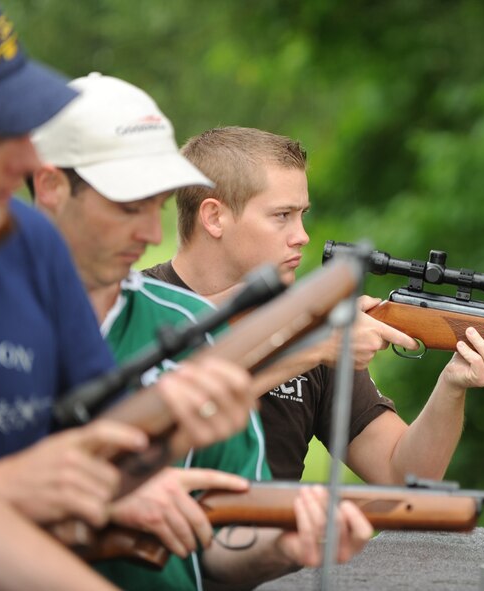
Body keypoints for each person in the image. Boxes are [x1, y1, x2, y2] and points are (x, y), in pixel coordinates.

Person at [31, 73, 372, 590]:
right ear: (49, 186)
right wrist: (107, 495)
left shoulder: (187, 325)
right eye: (129, 207)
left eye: (156, 205)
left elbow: (224, 544)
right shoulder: (3, 319)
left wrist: (285, 543)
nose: (151, 232)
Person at [0, 2, 250, 589]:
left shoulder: (29, 242)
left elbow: (98, 450)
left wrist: (174, 433)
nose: (29, 158)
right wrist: (6, 489)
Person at [144, 126, 484, 485]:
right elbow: (151, 423)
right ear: (214, 217)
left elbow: (404, 476)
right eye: (282, 216)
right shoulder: (129, 308)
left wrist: (452, 386)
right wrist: (310, 338)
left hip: (275, 561)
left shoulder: (316, 325)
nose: (302, 236)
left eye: (302, 215)